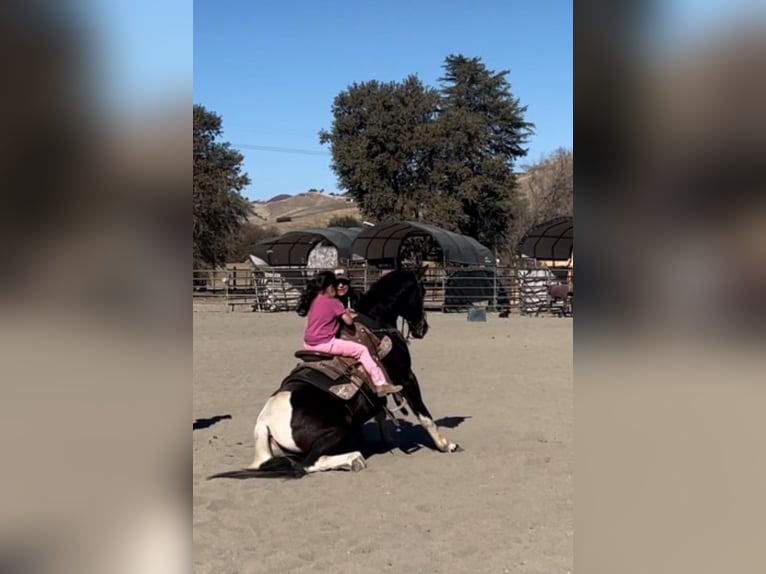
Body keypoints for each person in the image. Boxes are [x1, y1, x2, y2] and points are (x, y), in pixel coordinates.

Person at [296, 271, 402, 396]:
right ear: (330, 286)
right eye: (335, 285)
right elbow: (349, 321)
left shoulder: (314, 300)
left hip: (308, 344)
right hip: (325, 343)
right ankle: (380, 384)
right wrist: (343, 311)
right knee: (361, 350)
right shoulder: (334, 302)